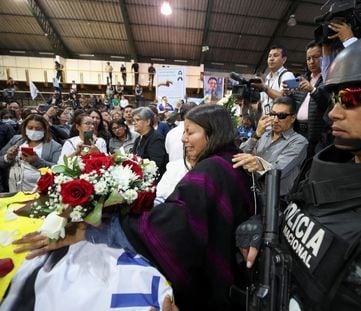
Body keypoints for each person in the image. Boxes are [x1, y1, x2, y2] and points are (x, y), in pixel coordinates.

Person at [238, 27, 361, 311]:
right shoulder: (328, 171)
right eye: (335, 98)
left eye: (353, 97)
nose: (333, 113)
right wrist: (265, 225)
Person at [15, 105, 255, 311]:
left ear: (212, 134)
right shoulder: (233, 162)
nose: (182, 139)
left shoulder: (210, 171)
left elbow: (168, 227)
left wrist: (90, 232)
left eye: (190, 132)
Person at [234, 96, 308, 196]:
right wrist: (256, 135)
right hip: (254, 193)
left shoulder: (299, 142)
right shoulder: (264, 134)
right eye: (273, 114)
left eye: (281, 116)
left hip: (277, 199)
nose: (275, 120)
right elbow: (239, 154)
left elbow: (278, 170)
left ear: (293, 118)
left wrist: (258, 163)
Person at [288, 41, 331, 158]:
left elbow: (327, 103)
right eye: (308, 58)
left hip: (317, 134)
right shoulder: (302, 79)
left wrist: (312, 90)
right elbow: (294, 103)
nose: (311, 61)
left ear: (325, 57)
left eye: (316, 57)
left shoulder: (329, 77)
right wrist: (288, 93)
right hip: (298, 129)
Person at [0, 113, 62, 192]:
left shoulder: (55, 146)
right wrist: (8, 157)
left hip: (39, 192)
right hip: (13, 190)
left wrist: (36, 161)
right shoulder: (16, 140)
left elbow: (58, 169)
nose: (33, 131)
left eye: (38, 129)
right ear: (25, 128)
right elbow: (1, 160)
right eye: (30, 128)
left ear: (45, 129)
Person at [251, 44, 295, 115]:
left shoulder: (288, 75)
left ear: (284, 59)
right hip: (267, 123)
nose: (271, 58)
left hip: (280, 122)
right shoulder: (267, 79)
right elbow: (262, 106)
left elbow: (285, 99)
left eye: (275, 55)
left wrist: (264, 88)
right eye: (269, 56)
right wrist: (248, 104)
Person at [130, 107, 168, 179]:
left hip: (153, 181)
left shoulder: (156, 138)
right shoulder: (138, 139)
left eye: (137, 120)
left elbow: (156, 165)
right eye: (133, 120)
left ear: (148, 121)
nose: (134, 123)